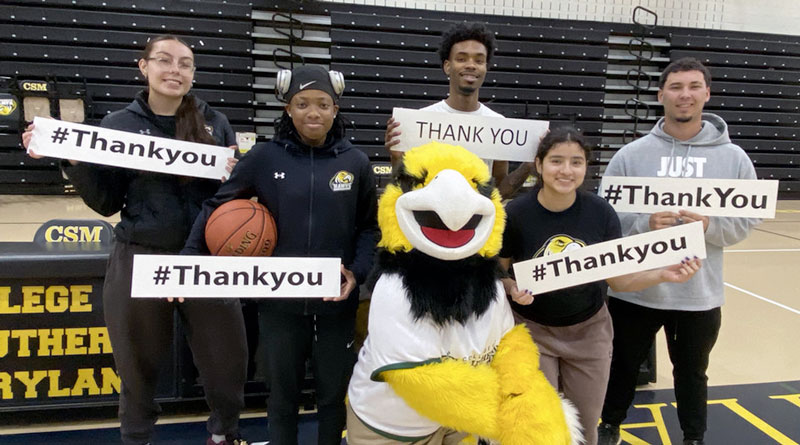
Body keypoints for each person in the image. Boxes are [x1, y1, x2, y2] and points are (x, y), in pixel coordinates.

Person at [23, 35, 248, 445]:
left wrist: (236, 177)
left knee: (226, 361)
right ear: (144, 67)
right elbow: (106, 201)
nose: (174, 70)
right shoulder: (117, 126)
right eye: (164, 60)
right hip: (140, 253)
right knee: (136, 364)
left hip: (205, 258)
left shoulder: (214, 122)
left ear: (193, 74)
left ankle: (223, 434)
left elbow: (228, 198)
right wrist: (74, 160)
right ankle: (136, 438)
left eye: (185, 63)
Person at [181, 65, 379, 445]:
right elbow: (216, 206)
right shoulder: (263, 157)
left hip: (336, 305)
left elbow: (369, 228)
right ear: (288, 109)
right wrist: (191, 256)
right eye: (302, 104)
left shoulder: (355, 162)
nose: (313, 112)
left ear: (335, 109)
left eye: (322, 104)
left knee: (333, 399)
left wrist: (357, 272)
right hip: (279, 305)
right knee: (282, 400)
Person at [499, 127, 702, 445]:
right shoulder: (516, 213)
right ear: (539, 165)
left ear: (586, 167)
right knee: (540, 426)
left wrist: (664, 274)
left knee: (586, 428)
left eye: (576, 162)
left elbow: (618, 280)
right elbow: (499, 272)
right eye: (556, 161)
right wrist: (512, 288)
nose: (566, 170)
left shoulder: (601, 212)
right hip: (533, 332)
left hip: (589, 333)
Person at [596, 58, 761, 445]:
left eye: (693, 86)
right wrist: (644, 223)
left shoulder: (734, 159)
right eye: (675, 87)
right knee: (621, 366)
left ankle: (693, 436)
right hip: (637, 289)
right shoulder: (631, 155)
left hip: (698, 293)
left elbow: (745, 222)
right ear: (660, 95)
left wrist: (709, 226)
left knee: (692, 373)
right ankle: (609, 426)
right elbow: (607, 218)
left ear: (707, 93)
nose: (684, 94)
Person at [385, 22, 533, 199]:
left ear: (486, 68)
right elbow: (405, 188)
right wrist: (396, 158)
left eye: (479, 60)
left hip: (477, 217)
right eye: (462, 59)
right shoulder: (422, 121)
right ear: (447, 66)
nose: (471, 65)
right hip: (430, 215)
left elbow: (499, 192)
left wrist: (530, 164)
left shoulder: (497, 124)